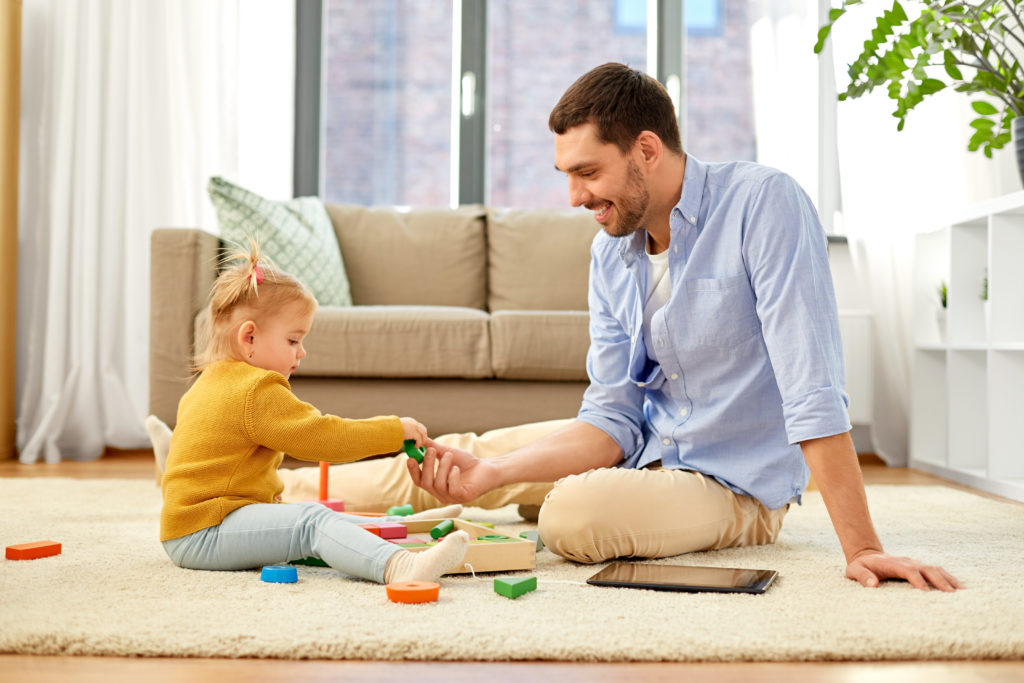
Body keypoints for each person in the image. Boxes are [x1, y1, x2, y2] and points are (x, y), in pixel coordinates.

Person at [401, 62, 960, 591]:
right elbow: (611, 417)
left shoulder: (763, 204)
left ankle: (574, 498)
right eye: (567, 175)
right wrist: (492, 473)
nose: (575, 198)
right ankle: (311, 492)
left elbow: (810, 384)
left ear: (646, 149)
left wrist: (862, 548)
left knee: (571, 514)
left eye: (588, 173)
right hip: (645, 450)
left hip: (732, 486)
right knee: (461, 456)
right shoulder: (610, 255)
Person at [155, 241, 469, 585]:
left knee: (315, 514)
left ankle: (410, 529)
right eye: (293, 340)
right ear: (250, 338)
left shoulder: (208, 382)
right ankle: (400, 567)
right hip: (206, 533)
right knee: (310, 523)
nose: (302, 352)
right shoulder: (255, 390)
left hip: (194, 529)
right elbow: (326, 438)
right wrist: (394, 430)